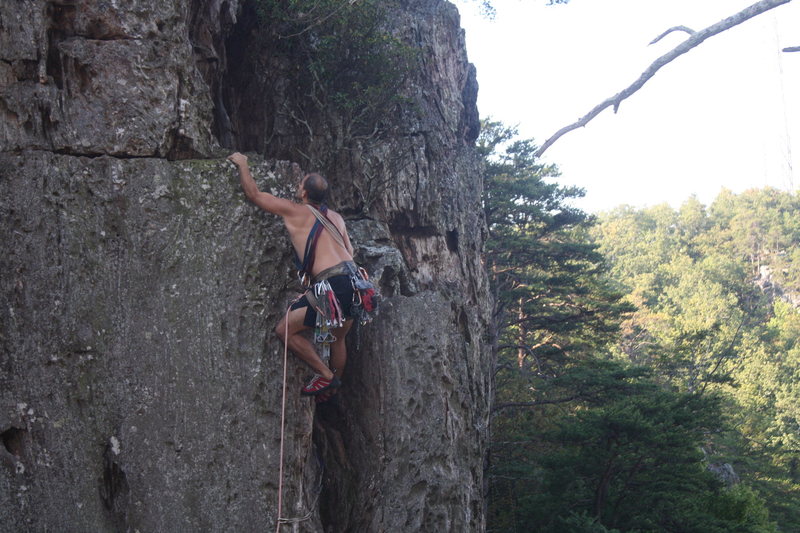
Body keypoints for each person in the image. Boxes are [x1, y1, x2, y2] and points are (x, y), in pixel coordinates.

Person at [228, 152, 356, 397]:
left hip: (331, 284)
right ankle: (333, 388)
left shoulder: (295, 211)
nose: (298, 187)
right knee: (338, 340)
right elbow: (349, 251)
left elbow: (254, 194)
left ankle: (326, 376)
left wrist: (242, 164)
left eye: (300, 184)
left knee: (284, 330)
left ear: (304, 193)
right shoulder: (337, 219)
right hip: (355, 284)